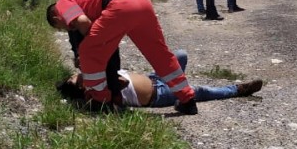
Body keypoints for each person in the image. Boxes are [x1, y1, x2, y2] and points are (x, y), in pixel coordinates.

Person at [46, 0, 199, 115]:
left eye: (61, 28)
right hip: (141, 0)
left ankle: (100, 102)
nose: (68, 29)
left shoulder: (62, 3)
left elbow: (83, 21)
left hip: (120, 6)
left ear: (56, 18)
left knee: (87, 51)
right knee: (160, 54)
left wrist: (87, 48)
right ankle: (187, 100)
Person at [56, 49, 263, 109]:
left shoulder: (95, 77)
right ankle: (236, 90)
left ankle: (179, 83)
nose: (78, 76)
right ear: (81, 90)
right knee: (198, 92)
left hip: (156, 78)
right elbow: (123, 83)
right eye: (76, 79)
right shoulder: (98, 93)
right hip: (158, 95)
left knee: (180, 55)